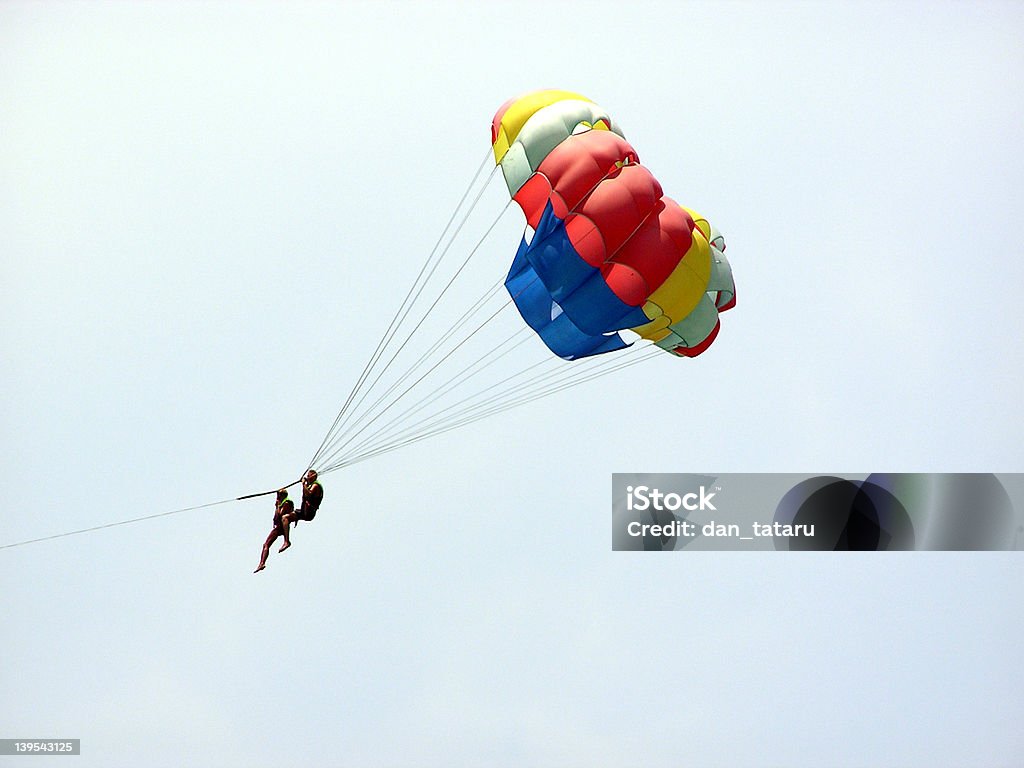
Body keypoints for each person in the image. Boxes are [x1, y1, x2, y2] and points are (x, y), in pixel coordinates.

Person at [254, 488, 294, 573]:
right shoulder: (282, 502)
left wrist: (277, 506)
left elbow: (280, 514)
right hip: (278, 526)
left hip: (281, 527)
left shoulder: (286, 503)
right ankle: (262, 563)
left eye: (279, 496)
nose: (277, 498)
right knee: (266, 544)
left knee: (266, 544)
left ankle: (286, 541)